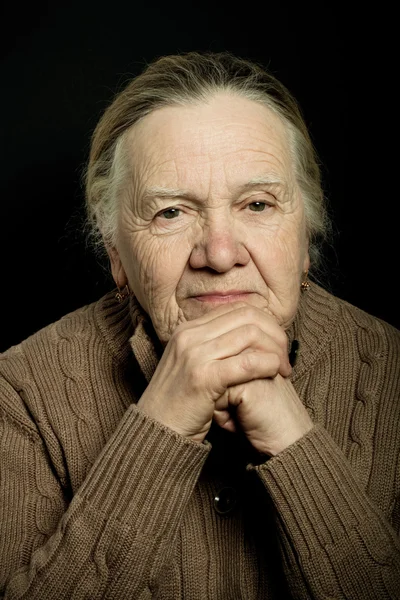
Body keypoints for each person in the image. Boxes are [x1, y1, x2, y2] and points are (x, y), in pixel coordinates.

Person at [0, 52, 399, 600]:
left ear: (307, 235)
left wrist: (294, 443)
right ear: (116, 251)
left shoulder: (392, 367)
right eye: (171, 212)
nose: (219, 252)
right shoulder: (19, 391)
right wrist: (159, 428)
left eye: (257, 204)